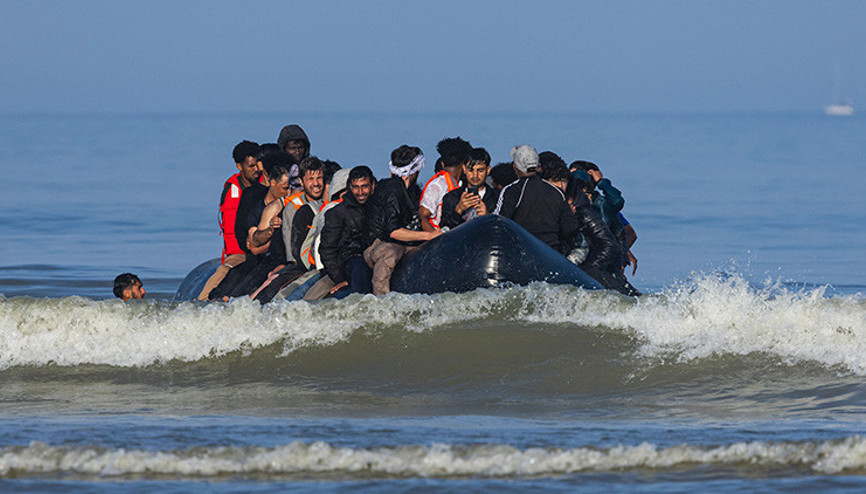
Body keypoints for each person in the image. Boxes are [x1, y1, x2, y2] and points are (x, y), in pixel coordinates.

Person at [364, 145, 440, 295]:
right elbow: (394, 232)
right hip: (378, 246)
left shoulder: (412, 191)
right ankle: (381, 299)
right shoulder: (391, 189)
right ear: (415, 170)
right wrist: (429, 236)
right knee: (391, 252)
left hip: (405, 245)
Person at [197, 140, 261, 300]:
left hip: (260, 249)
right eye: (251, 166)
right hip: (238, 252)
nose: (256, 171)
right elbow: (229, 226)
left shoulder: (264, 185)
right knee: (225, 270)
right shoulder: (231, 190)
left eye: (257, 166)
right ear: (239, 166)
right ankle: (202, 301)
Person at [494, 145, 578, 254]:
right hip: (551, 255)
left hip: (522, 253)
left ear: (515, 167)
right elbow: (570, 228)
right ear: (538, 166)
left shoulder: (512, 190)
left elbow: (498, 222)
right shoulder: (556, 192)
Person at [319, 166, 376, 298]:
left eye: (364, 186)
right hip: (349, 259)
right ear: (350, 187)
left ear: (372, 185)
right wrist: (339, 278)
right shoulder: (337, 213)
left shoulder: (377, 207)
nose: (360, 192)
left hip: (373, 253)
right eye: (356, 187)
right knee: (359, 266)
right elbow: (327, 249)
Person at [419, 137, 472, 232]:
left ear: (443, 164)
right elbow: (422, 216)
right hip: (440, 240)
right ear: (465, 164)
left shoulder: (461, 184)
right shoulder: (437, 185)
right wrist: (436, 239)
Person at [280, 156, 325, 266]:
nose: (316, 183)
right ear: (301, 181)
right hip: (302, 264)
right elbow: (291, 250)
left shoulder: (329, 202)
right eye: (310, 179)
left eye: (319, 178)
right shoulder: (293, 207)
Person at [440, 147, 499, 230]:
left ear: (488, 170)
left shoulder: (497, 197)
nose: (475, 175)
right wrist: (458, 210)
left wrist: (487, 216)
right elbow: (444, 230)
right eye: (470, 170)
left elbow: (503, 228)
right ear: (464, 169)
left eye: (480, 170)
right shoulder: (451, 198)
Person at [277, 124, 311, 190]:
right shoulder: (277, 171)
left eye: (300, 148)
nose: (297, 151)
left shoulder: (312, 168)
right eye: (293, 148)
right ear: (284, 149)